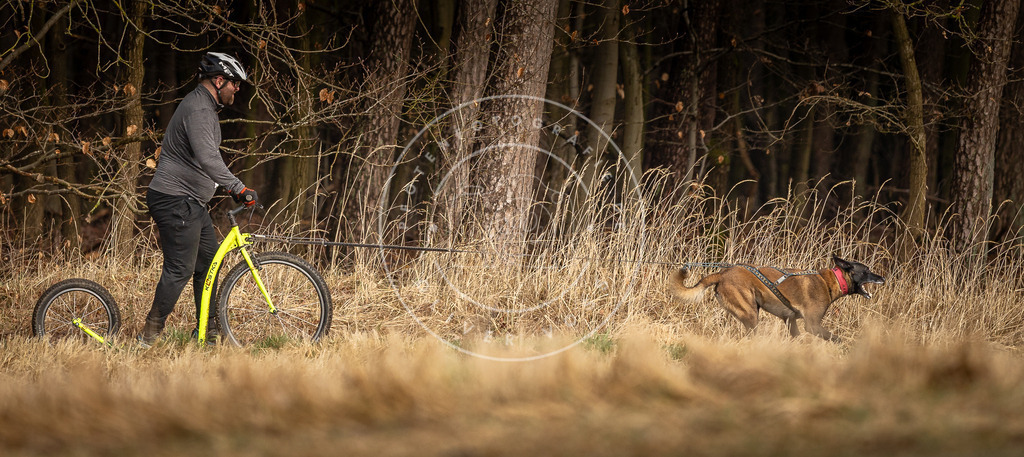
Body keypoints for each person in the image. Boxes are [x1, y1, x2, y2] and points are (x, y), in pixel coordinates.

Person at [138, 52, 258, 345]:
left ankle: (207, 331)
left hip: (188, 202)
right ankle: (148, 337)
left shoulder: (202, 106)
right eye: (235, 84)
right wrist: (238, 187)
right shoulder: (200, 110)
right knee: (180, 269)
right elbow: (208, 158)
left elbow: (205, 157)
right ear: (219, 80)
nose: (237, 89)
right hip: (175, 199)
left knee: (207, 262)